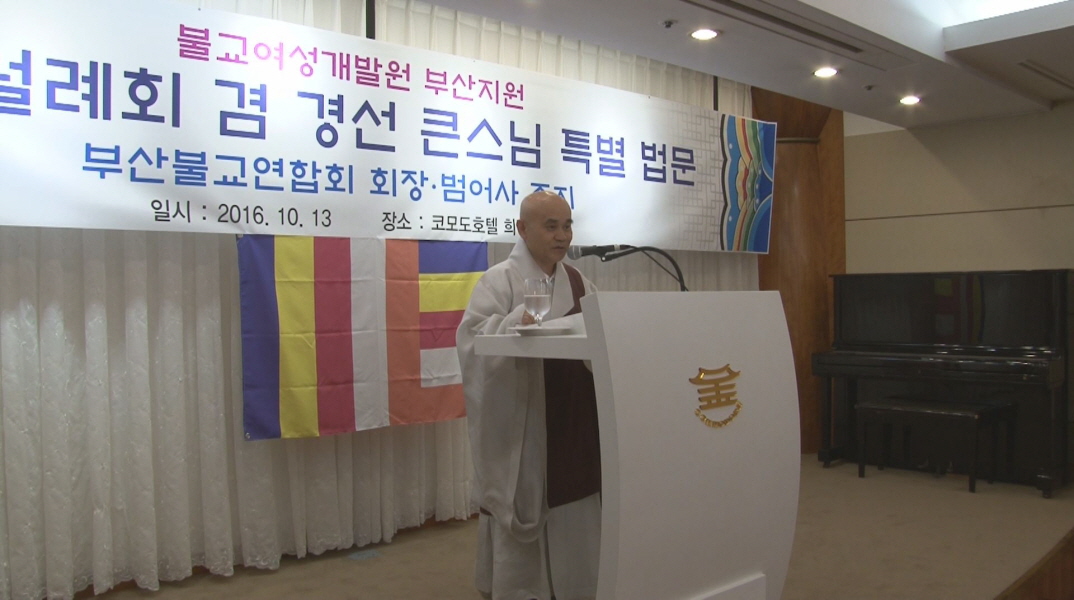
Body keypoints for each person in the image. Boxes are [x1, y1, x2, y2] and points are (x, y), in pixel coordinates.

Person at [456, 190, 602, 600]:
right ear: (522, 229)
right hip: (524, 417)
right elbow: (471, 340)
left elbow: (602, 331)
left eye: (567, 225)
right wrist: (513, 323)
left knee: (575, 497)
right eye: (551, 226)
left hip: (572, 415)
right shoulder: (500, 279)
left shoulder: (579, 281)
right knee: (525, 496)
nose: (563, 236)